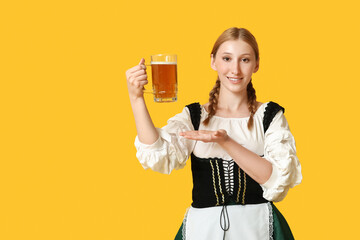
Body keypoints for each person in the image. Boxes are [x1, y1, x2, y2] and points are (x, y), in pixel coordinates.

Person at [126, 27, 302, 240]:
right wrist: (136, 99)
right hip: (202, 230)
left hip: (259, 228)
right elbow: (158, 154)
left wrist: (225, 141)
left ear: (256, 64)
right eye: (226, 58)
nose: (235, 69)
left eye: (244, 60)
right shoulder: (194, 116)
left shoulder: (269, 116)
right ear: (213, 62)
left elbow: (274, 179)